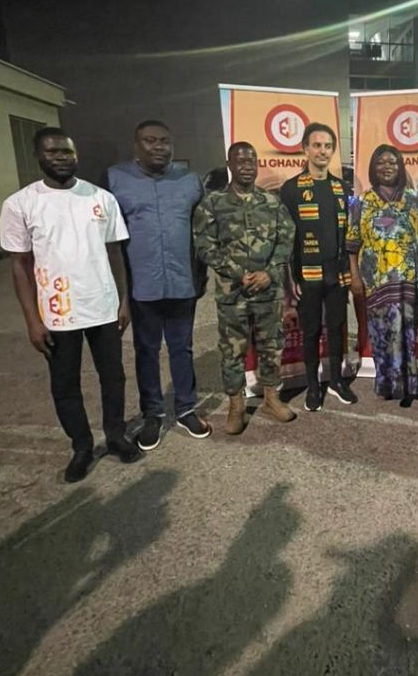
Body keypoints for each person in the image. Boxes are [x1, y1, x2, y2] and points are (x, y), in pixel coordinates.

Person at [0, 128, 140, 482]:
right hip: (57, 313)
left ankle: (115, 435)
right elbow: (20, 265)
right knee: (65, 385)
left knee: (113, 377)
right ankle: (81, 446)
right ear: (39, 156)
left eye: (67, 151)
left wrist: (123, 300)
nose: (61, 157)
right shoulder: (21, 204)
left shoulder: (101, 198)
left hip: (103, 306)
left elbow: (115, 253)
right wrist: (32, 320)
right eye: (52, 152)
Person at [107, 120, 211, 452]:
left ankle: (186, 409)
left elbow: (203, 231)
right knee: (146, 351)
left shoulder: (190, 182)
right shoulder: (115, 180)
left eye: (164, 141)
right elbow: (109, 240)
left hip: (182, 283)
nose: (158, 147)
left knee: (182, 348)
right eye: (150, 140)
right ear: (136, 146)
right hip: (142, 286)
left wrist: (202, 274)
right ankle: (153, 413)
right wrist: (120, 294)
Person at [193, 141, 297, 431]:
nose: (247, 167)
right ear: (230, 165)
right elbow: (204, 245)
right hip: (233, 293)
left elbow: (287, 239)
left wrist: (269, 272)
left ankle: (271, 397)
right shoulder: (213, 203)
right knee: (232, 350)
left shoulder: (272, 202)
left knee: (271, 345)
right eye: (240, 161)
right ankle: (236, 405)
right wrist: (239, 273)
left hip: (268, 290)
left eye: (251, 161)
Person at [280, 122, 356, 411]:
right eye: (317, 145)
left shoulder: (342, 188)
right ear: (305, 149)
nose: (322, 151)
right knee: (310, 330)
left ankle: (336, 381)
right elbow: (286, 239)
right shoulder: (291, 189)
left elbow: (351, 232)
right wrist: (290, 279)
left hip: (337, 274)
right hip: (307, 275)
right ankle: (313, 385)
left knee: (337, 328)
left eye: (328, 146)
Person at [347, 144, 418, 404]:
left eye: (392, 162)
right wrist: (355, 276)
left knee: (406, 333)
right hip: (375, 280)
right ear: (373, 168)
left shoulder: (414, 199)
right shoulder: (361, 201)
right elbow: (352, 243)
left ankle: (407, 384)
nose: (387, 167)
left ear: (400, 166)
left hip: (408, 279)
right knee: (380, 334)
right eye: (381, 162)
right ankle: (385, 383)